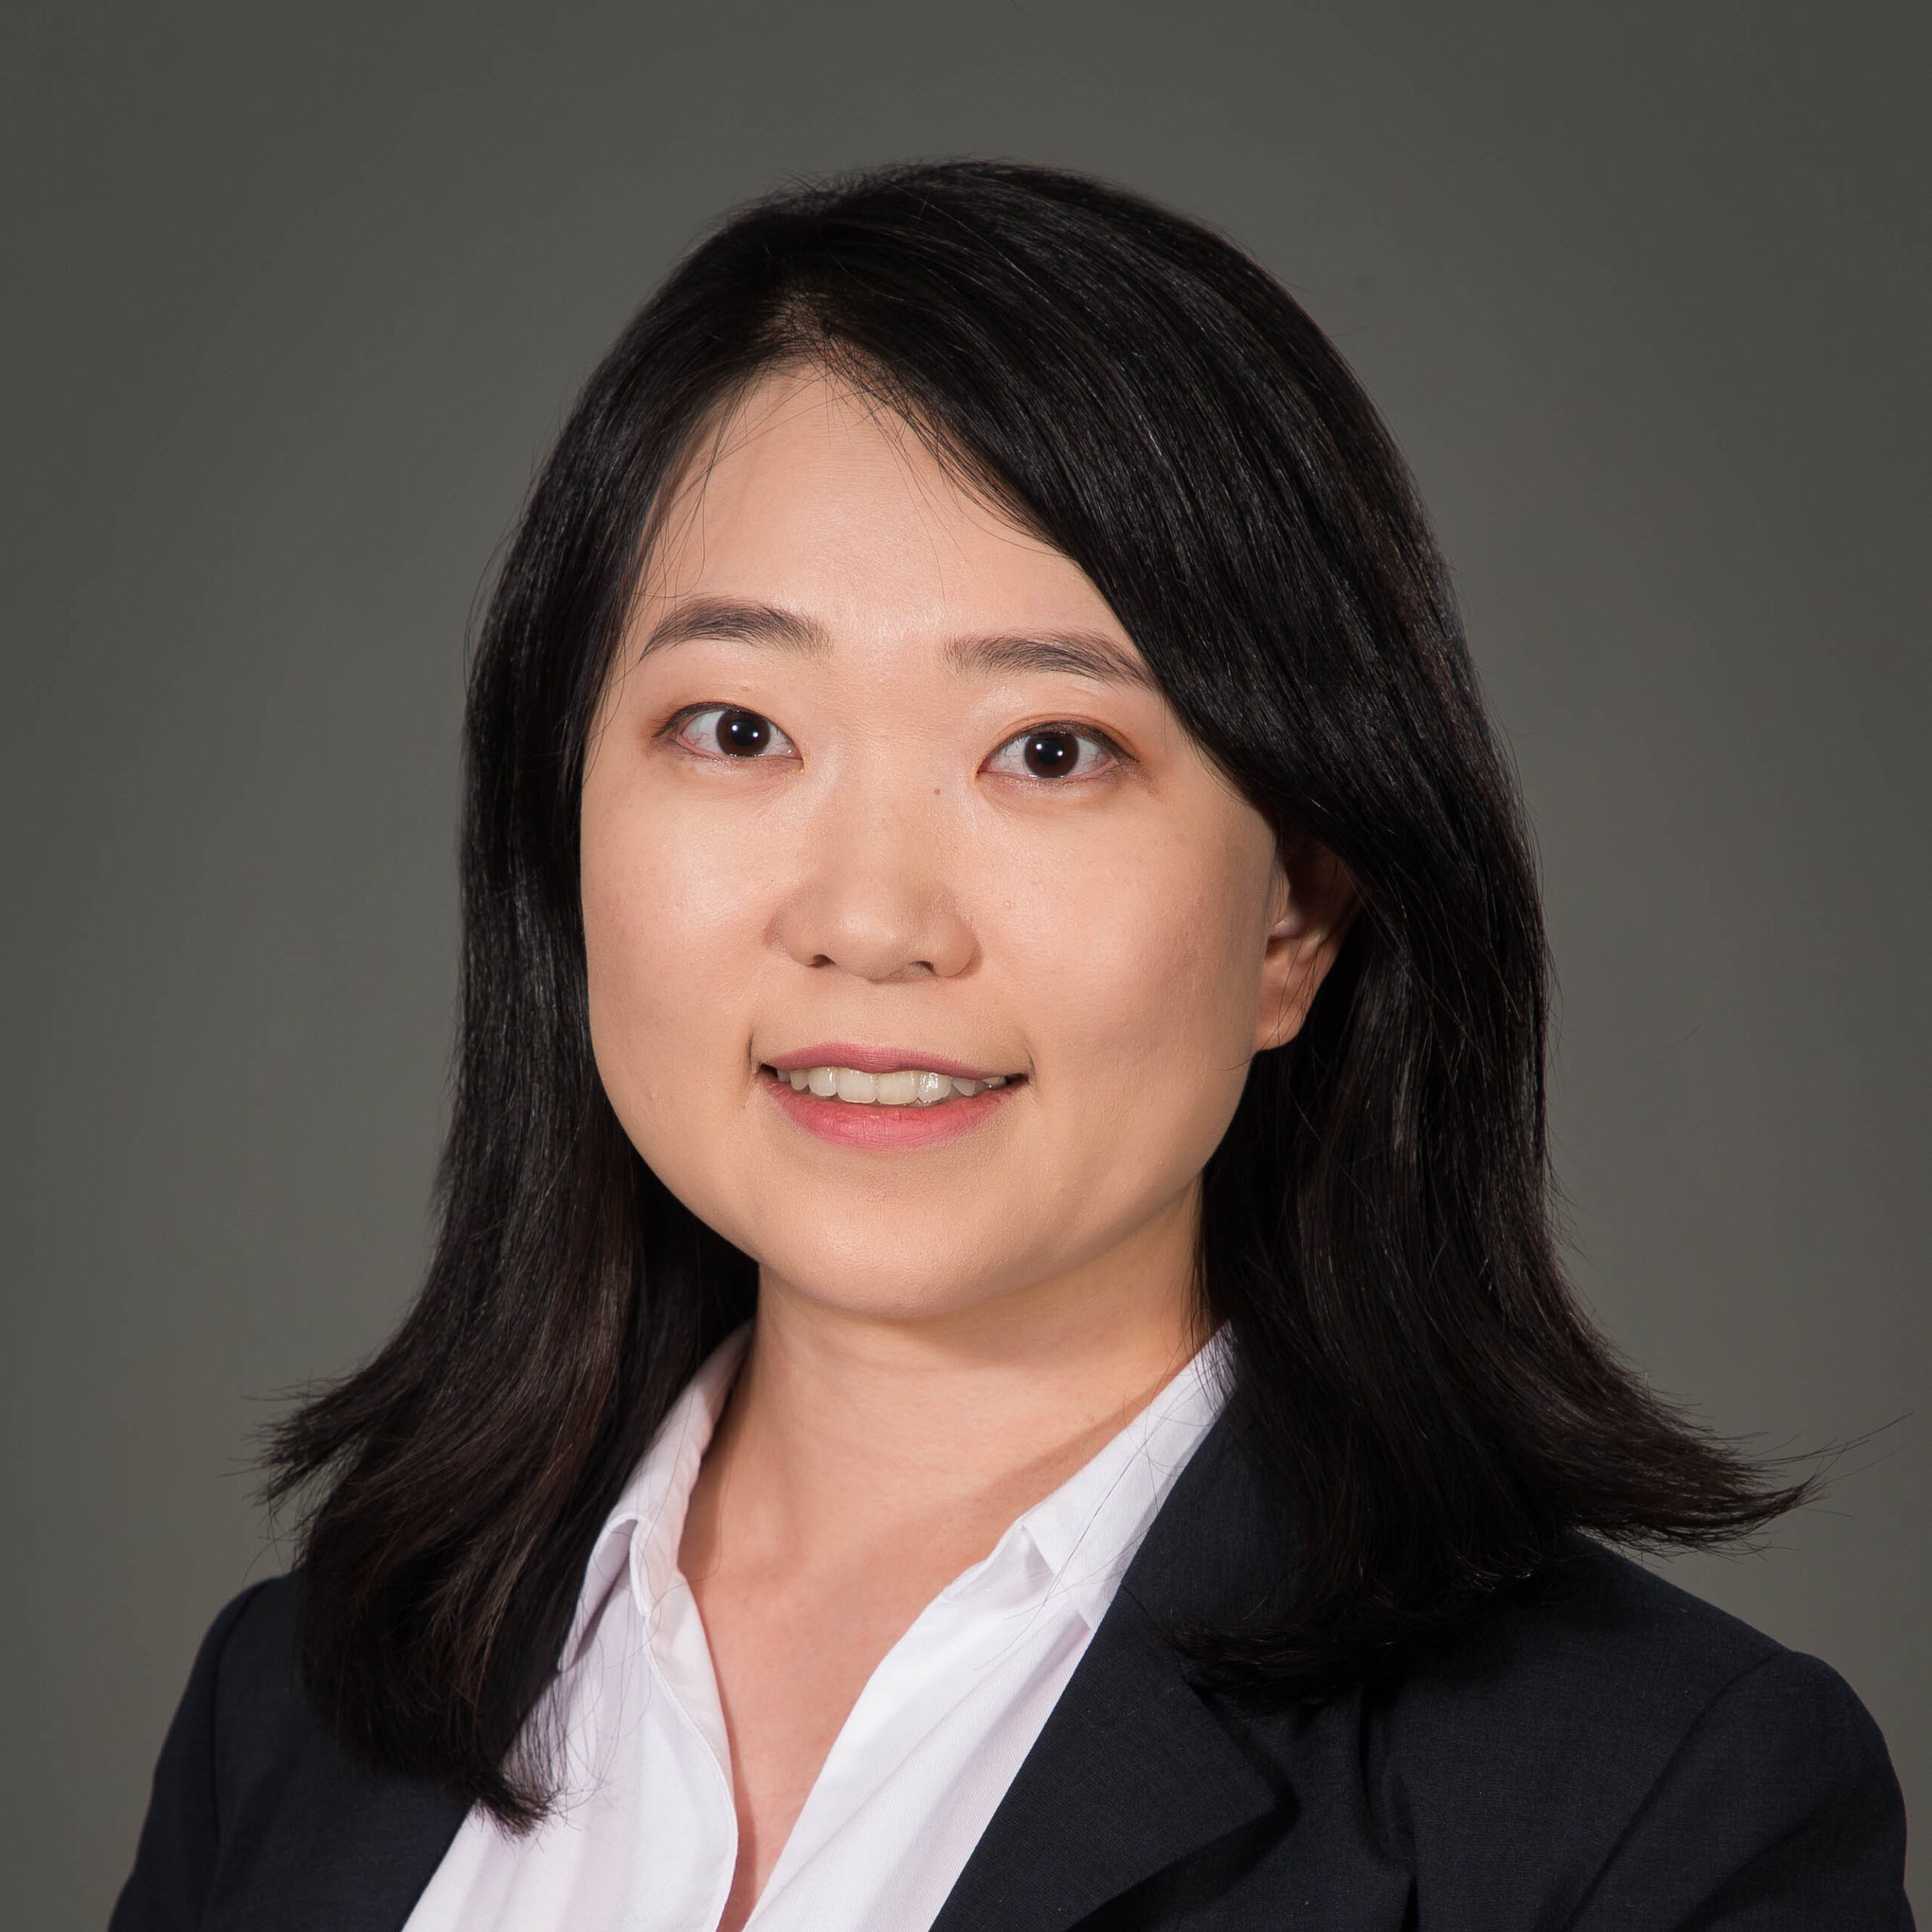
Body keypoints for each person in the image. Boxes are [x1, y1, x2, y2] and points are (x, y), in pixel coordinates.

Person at [110, 160, 1910, 1932]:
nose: (873, 918)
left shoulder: (1646, 1812)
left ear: (1295, 912)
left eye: (1048, 748)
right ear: (561, 827)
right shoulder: (298, 1707)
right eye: (736, 727)